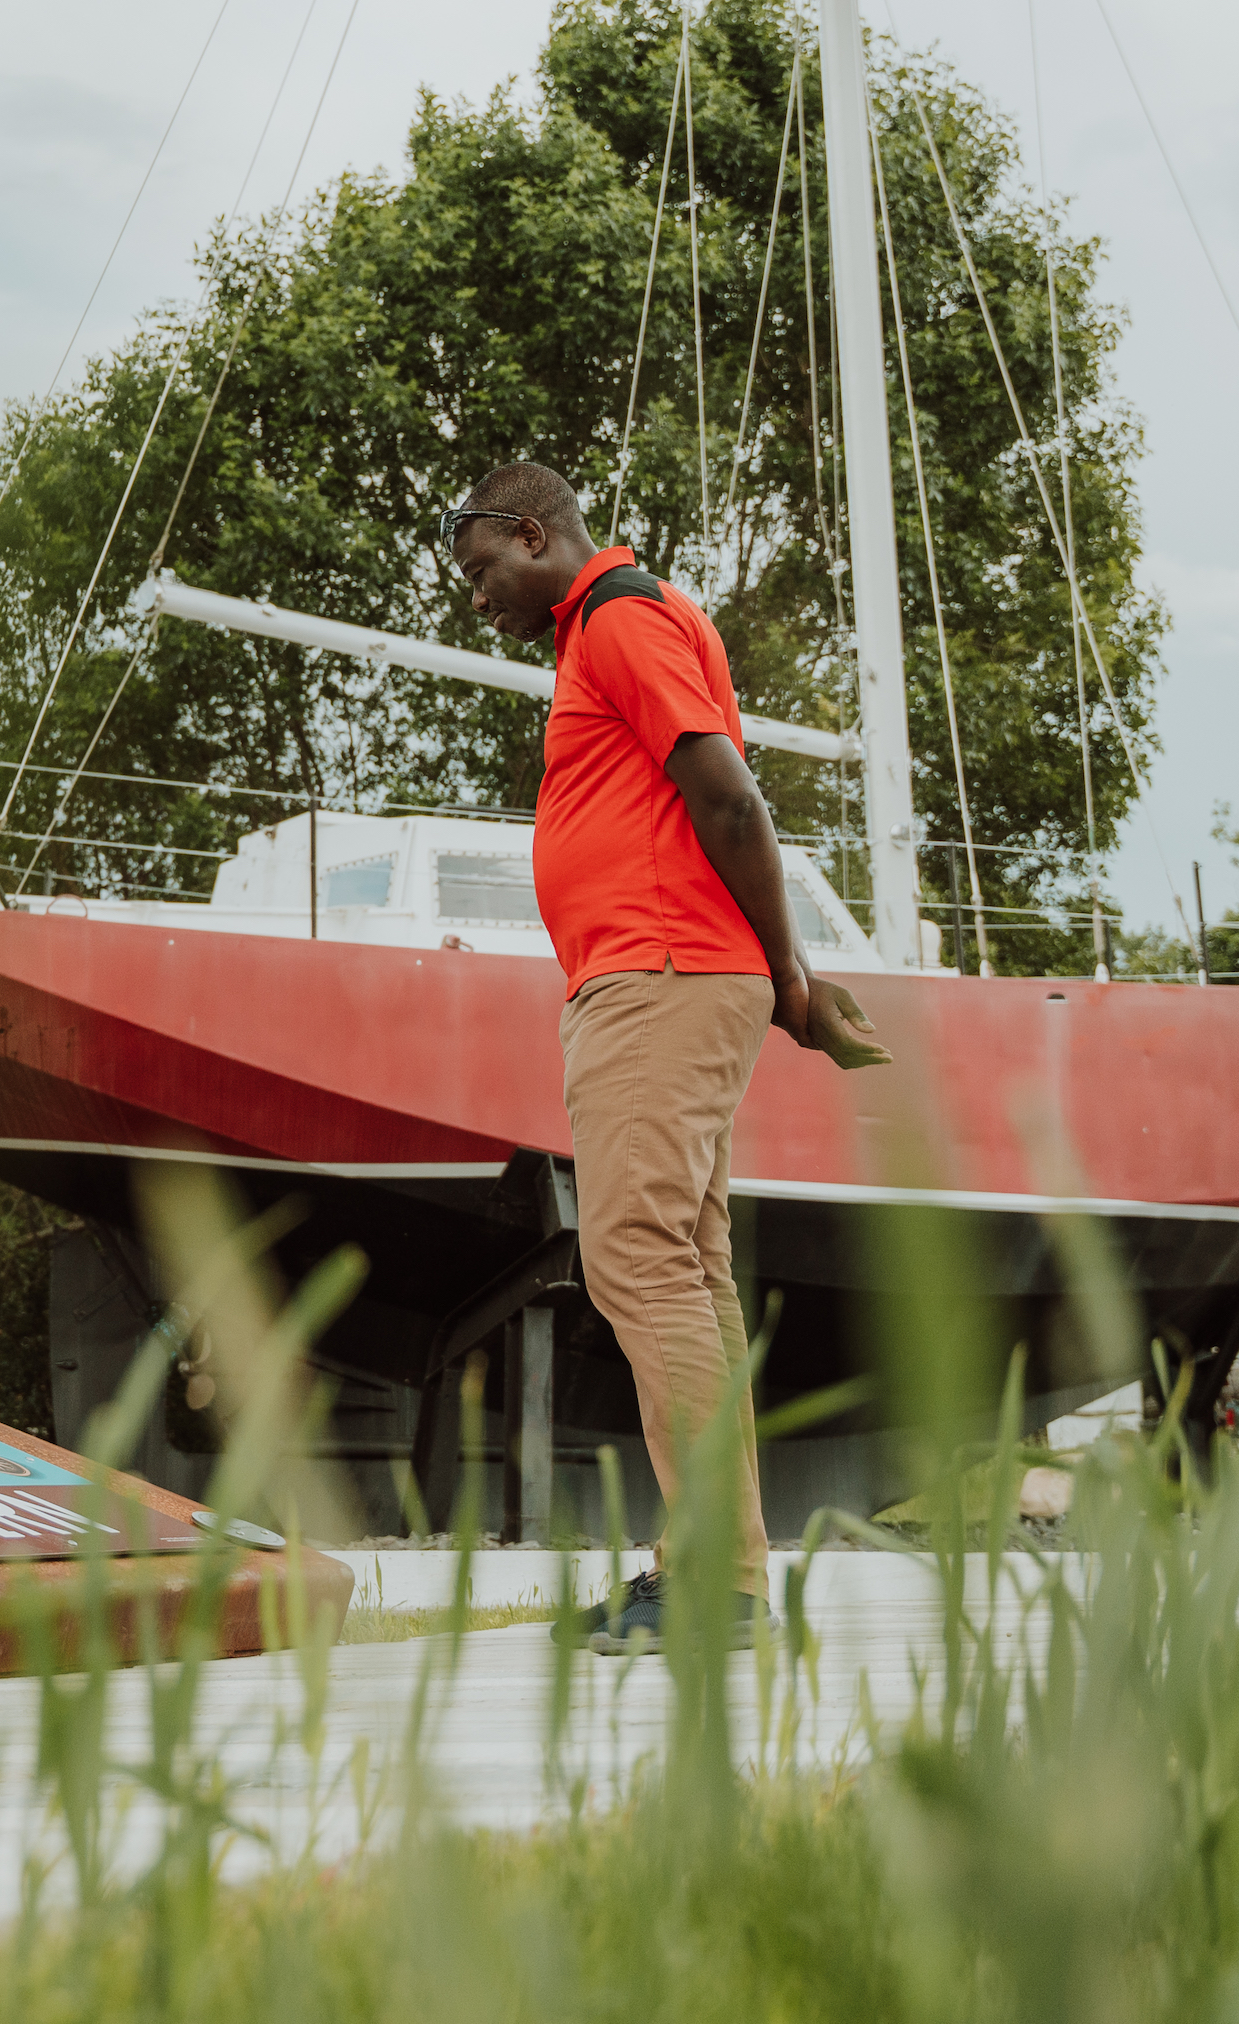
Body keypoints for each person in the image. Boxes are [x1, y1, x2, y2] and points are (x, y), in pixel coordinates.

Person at [440, 458, 884, 1653]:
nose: (475, 598)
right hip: (672, 968)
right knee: (686, 1261)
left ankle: (713, 1582)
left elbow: (730, 798)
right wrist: (774, 980)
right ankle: (725, 1573)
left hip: (661, 969)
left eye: (481, 571)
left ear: (533, 534)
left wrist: (788, 976)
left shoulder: (618, 617)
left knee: (635, 1255)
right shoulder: (629, 619)